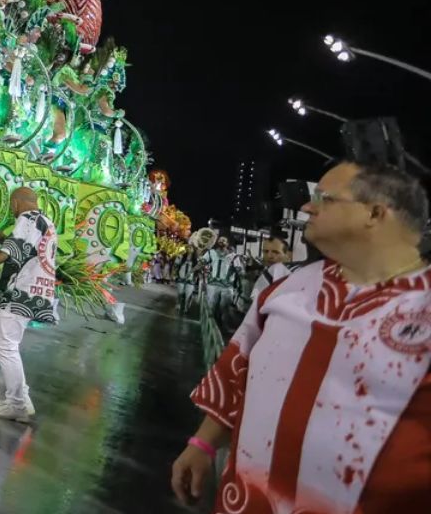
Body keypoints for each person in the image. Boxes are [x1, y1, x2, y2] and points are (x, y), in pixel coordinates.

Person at [171, 161, 430, 512]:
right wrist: (202, 444)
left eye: (325, 198)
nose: (308, 206)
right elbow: (237, 372)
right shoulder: (285, 290)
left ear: (374, 213)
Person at [0, 186, 57, 424]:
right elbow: (22, 248)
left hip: (19, 292)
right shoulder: (45, 220)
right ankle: (21, 400)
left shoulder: (26, 218)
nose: (10, 209)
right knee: (10, 345)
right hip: (35, 293)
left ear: (16, 203)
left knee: (6, 346)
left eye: (10, 205)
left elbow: (12, 251)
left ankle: (17, 404)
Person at [248, 236, 292, 301]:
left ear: (287, 255)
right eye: (266, 251)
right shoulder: (264, 277)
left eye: (275, 252)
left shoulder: (294, 277)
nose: (269, 256)